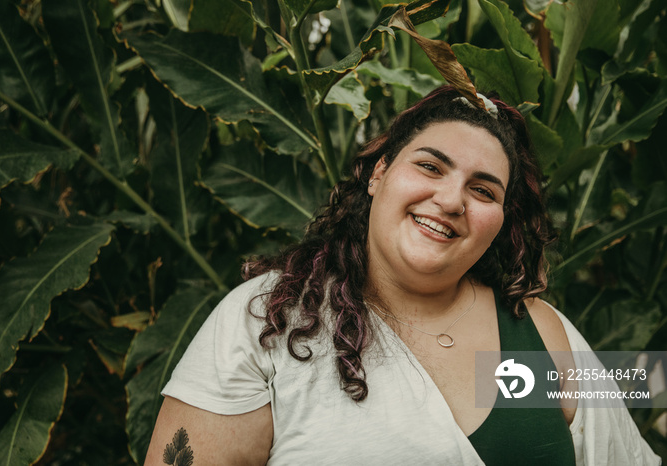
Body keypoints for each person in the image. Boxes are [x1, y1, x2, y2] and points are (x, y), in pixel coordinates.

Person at [144, 86, 660, 465]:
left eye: (484, 191)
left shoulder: (540, 334)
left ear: (500, 222)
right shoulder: (269, 319)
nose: (452, 199)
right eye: (431, 167)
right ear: (379, 173)